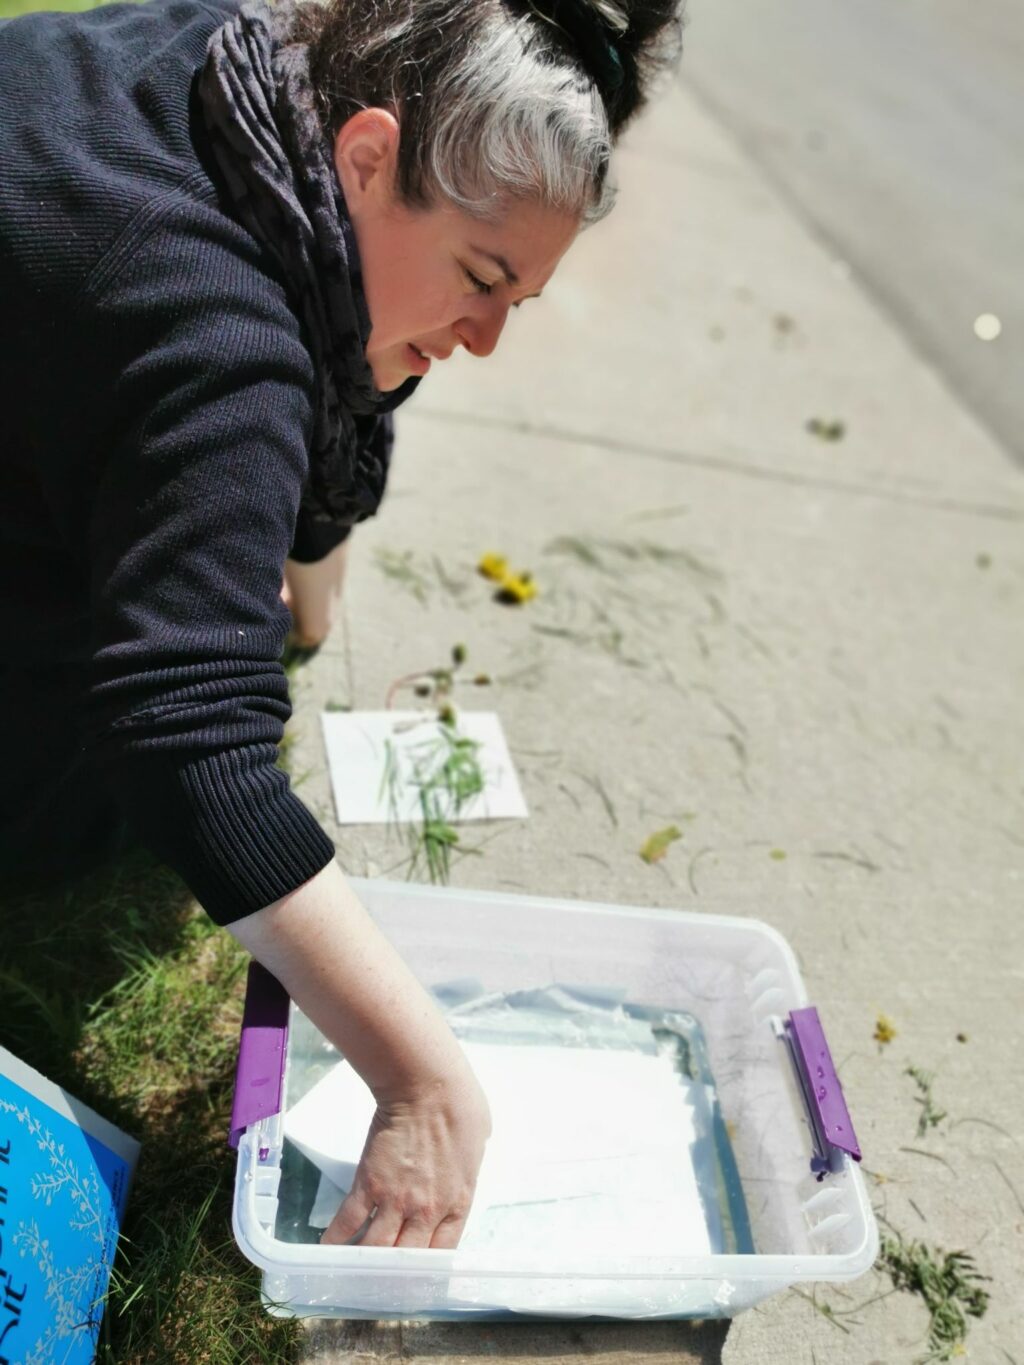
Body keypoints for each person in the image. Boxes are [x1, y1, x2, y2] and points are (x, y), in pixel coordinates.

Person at [0, 0, 682, 1250]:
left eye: (517, 302)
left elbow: (339, 343)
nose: (480, 338)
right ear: (367, 154)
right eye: (482, 279)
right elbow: (185, 744)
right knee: (100, 781)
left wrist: (305, 579)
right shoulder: (220, 336)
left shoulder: (242, 67)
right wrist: (423, 1081)